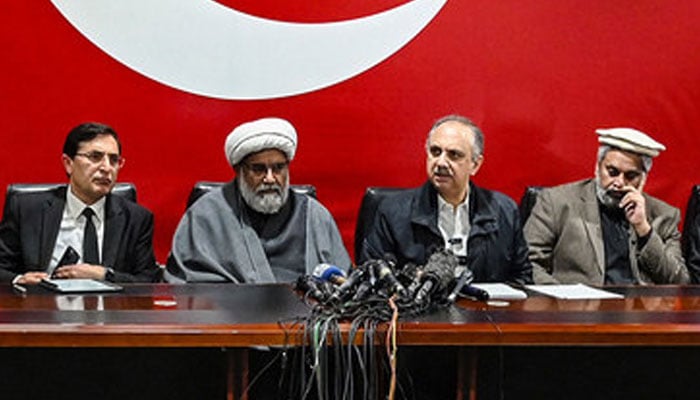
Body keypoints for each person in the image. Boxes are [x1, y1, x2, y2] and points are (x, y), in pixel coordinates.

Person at [165, 117, 351, 283]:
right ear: (239, 171)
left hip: (306, 317)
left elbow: (343, 281)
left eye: (278, 168)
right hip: (230, 318)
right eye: (259, 169)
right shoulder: (205, 215)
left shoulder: (315, 215)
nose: (270, 178)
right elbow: (185, 285)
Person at [359, 114, 532, 285]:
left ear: (475, 164)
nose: (441, 162)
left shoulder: (504, 211)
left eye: (454, 155)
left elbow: (522, 278)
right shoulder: (392, 212)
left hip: (485, 310)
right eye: (435, 152)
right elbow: (371, 277)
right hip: (418, 310)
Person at [0, 122, 160, 285]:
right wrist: (19, 280)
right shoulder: (26, 209)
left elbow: (149, 281)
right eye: (95, 157)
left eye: (114, 160)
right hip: (42, 306)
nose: (106, 168)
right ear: (68, 163)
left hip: (109, 309)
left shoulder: (136, 219)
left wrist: (104, 275)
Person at [524, 127, 689, 285]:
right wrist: (562, 300)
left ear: (644, 178)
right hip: (578, 309)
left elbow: (679, 281)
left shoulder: (664, 215)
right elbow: (528, 265)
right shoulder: (557, 202)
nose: (619, 182)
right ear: (597, 167)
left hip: (639, 310)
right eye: (612, 172)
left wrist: (644, 230)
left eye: (631, 176)